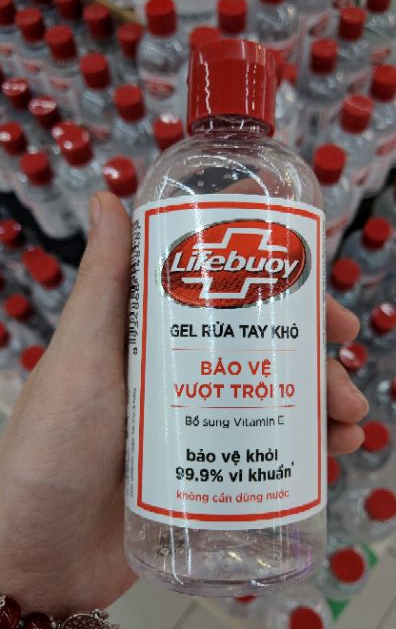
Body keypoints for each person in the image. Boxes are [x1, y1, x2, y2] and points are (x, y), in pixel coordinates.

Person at [0, 193, 368, 620]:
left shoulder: (285, 184)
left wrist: (25, 587)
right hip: (161, 499)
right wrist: (26, 581)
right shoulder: (175, 187)